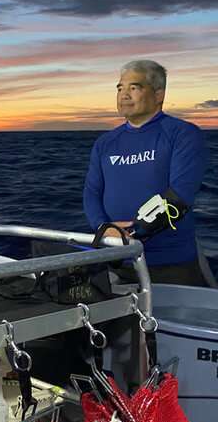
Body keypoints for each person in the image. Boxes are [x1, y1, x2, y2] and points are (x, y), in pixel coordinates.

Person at [83, 60, 209, 286]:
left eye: (134, 87)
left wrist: (133, 233)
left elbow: (179, 196)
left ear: (159, 94)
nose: (124, 95)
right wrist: (103, 228)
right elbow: (91, 192)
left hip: (169, 263)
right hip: (115, 258)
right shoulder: (105, 143)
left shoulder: (183, 134)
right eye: (120, 88)